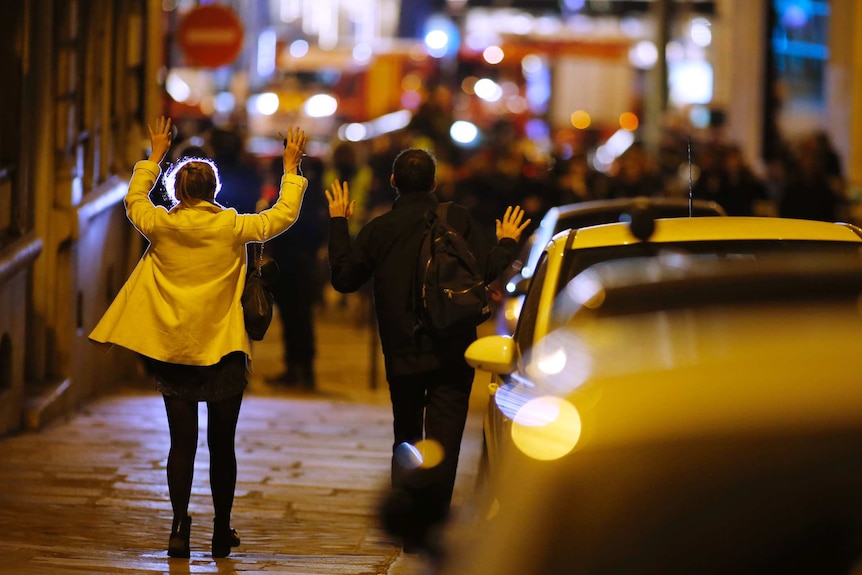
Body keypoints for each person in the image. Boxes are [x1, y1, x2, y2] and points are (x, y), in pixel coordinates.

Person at [88, 116, 308, 559]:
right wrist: (290, 166)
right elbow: (281, 217)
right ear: (213, 190)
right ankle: (222, 530)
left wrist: (153, 156)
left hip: (176, 350)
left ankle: (178, 528)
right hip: (224, 350)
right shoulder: (232, 227)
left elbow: (134, 200)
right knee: (222, 444)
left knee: (180, 443)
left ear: (176, 191)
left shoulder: (162, 226)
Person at [324, 148, 530, 555]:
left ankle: (407, 526)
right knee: (446, 438)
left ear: (393, 182)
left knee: (406, 434)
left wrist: (337, 222)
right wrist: (506, 244)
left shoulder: (379, 230)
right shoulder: (457, 220)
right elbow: (481, 273)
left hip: (401, 350)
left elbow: (344, 279)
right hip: (452, 345)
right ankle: (433, 523)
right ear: (435, 183)